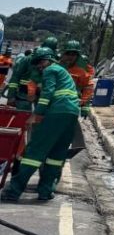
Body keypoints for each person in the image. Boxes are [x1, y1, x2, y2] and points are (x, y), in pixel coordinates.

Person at [1, 47, 80, 202]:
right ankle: (46, 191)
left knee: (34, 151)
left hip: (57, 112)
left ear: (48, 59)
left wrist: (36, 115)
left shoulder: (51, 70)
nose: (38, 66)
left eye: (39, 62)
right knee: (56, 155)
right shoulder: (63, 72)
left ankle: (13, 191)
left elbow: (47, 94)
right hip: (71, 114)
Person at [59, 42, 95, 119]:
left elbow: (88, 87)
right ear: (63, 54)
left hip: (70, 108)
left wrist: (83, 104)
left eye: (73, 54)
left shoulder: (81, 72)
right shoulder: (54, 67)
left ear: (77, 56)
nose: (70, 57)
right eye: (68, 53)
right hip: (52, 107)